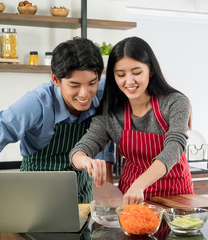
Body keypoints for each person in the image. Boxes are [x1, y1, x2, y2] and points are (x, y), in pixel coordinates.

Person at [0, 38, 115, 203]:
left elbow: (105, 136)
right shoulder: (36, 103)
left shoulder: (103, 91)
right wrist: (3, 198)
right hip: (36, 198)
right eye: (74, 85)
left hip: (82, 197)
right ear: (56, 79)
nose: (84, 94)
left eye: (91, 83)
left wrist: (106, 195)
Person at [70, 36, 194, 205]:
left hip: (176, 199)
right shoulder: (111, 115)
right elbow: (78, 151)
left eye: (136, 73)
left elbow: (175, 146)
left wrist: (140, 184)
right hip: (131, 201)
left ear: (150, 70)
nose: (129, 81)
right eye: (120, 74)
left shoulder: (176, 103)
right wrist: (85, 161)